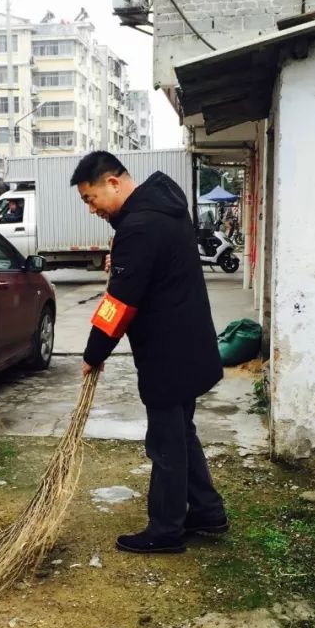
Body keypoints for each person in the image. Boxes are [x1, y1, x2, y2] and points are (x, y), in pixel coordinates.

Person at [73, 151, 226, 554]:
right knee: (181, 433)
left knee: (165, 442)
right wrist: (124, 261)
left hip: (166, 353)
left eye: (91, 199)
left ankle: (165, 530)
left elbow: (120, 303)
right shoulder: (164, 209)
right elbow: (154, 269)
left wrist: (93, 352)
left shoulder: (139, 226)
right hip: (189, 344)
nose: (92, 209)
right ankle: (207, 511)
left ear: (113, 183)